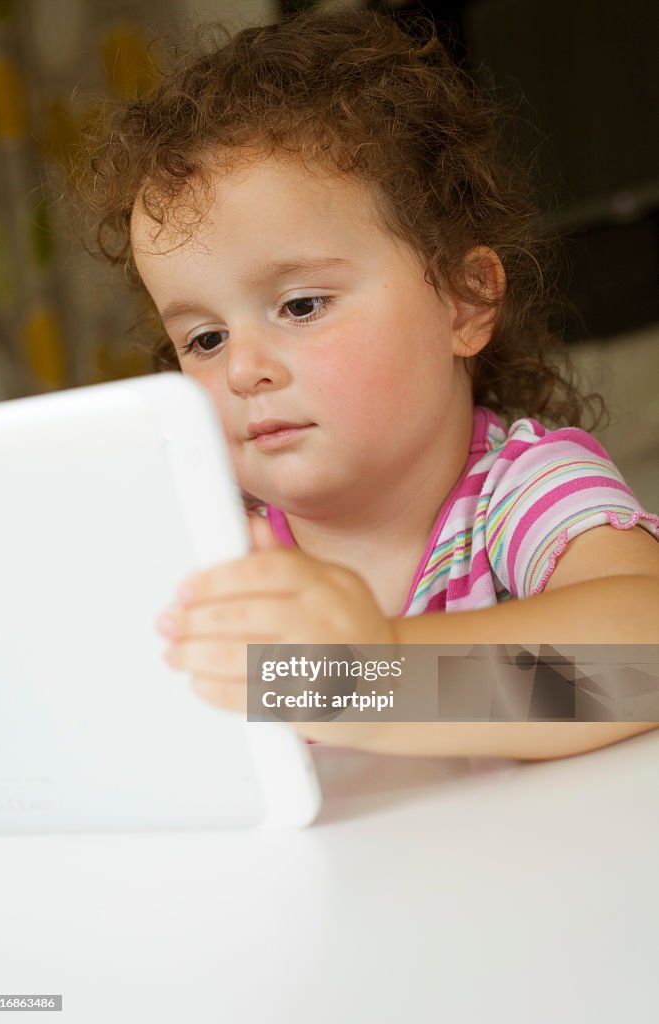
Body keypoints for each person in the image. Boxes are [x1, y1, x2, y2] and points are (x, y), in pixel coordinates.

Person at [81, 9, 659, 760]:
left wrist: (369, 683)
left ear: (465, 300)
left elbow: (641, 656)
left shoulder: (523, 492)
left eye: (300, 305)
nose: (242, 368)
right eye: (205, 338)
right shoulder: (213, 546)